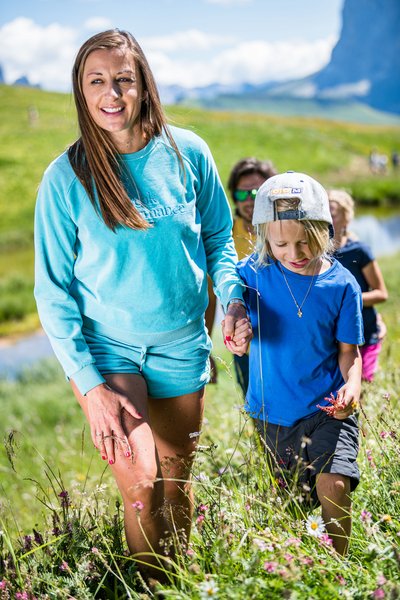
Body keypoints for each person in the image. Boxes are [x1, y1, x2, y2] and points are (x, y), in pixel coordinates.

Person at [34, 29, 251, 580]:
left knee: (177, 482)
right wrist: (90, 387)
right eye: (97, 81)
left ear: (143, 84)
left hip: (183, 344)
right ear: (82, 92)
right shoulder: (66, 178)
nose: (112, 93)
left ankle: (180, 581)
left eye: (123, 80)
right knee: (141, 485)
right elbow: (52, 291)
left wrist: (231, 300)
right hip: (109, 350)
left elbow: (220, 239)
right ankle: (151, 591)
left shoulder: (188, 152)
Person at [224, 171, 364, 554]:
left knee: (331, 483)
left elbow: (349, 353)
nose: (294, 253)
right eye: (281, 243)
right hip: (271, 413)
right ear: (264, 236)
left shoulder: (342, 285)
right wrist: (235, 330)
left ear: (324, 230)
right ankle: (308, 565)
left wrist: (352, 388)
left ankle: (342, 566)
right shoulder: (251, 274)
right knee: (296, 503)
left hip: (327, 407)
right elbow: (229, 304)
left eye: (305, 241)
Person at [205, 157, 277, 393]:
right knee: (254, 401)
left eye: (256, 193)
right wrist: (206, 350)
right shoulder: (223, 235)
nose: (249, 201)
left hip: (286, 329)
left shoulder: (287, 231)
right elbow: (211, 295)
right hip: (243, 336)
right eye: (242, 194)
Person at [328, 189, 388, 382]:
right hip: (334, 339)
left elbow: (381, 293)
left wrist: (348, 300)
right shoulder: (316, 256)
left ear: (346, 218)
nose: (327, 218)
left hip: (366, 332)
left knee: (362, 388)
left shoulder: (359, 251)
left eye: (333, 213)